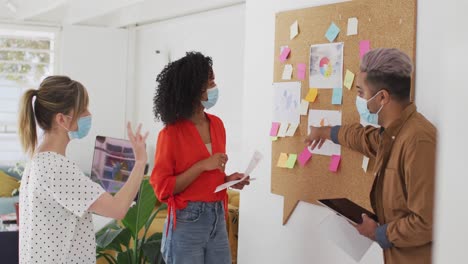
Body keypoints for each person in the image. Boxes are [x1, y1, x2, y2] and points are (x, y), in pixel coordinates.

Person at [305, 49, 436, 264]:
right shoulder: (394, 134)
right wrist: (325, 132)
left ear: (382, 97)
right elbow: (363, 138)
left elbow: (427, 221)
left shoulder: (418, 141)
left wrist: (378, 232)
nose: (358, 100)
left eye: (360, 93)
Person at [18, 75, 149, 263]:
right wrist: (139, 162)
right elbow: (118, 209)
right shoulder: (57, 167)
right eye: (83, 109)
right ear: (62, 119)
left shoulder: (37, 162)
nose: (88, 114)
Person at [150, 52, 249, 264]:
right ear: (193, 89)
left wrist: (229, 180)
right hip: (187, 223)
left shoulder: (217, 125)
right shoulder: (170, 134)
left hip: (217, 218)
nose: (215, 87)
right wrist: (201, 166)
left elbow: (210, 179)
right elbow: (162, 188)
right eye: (210, 82)